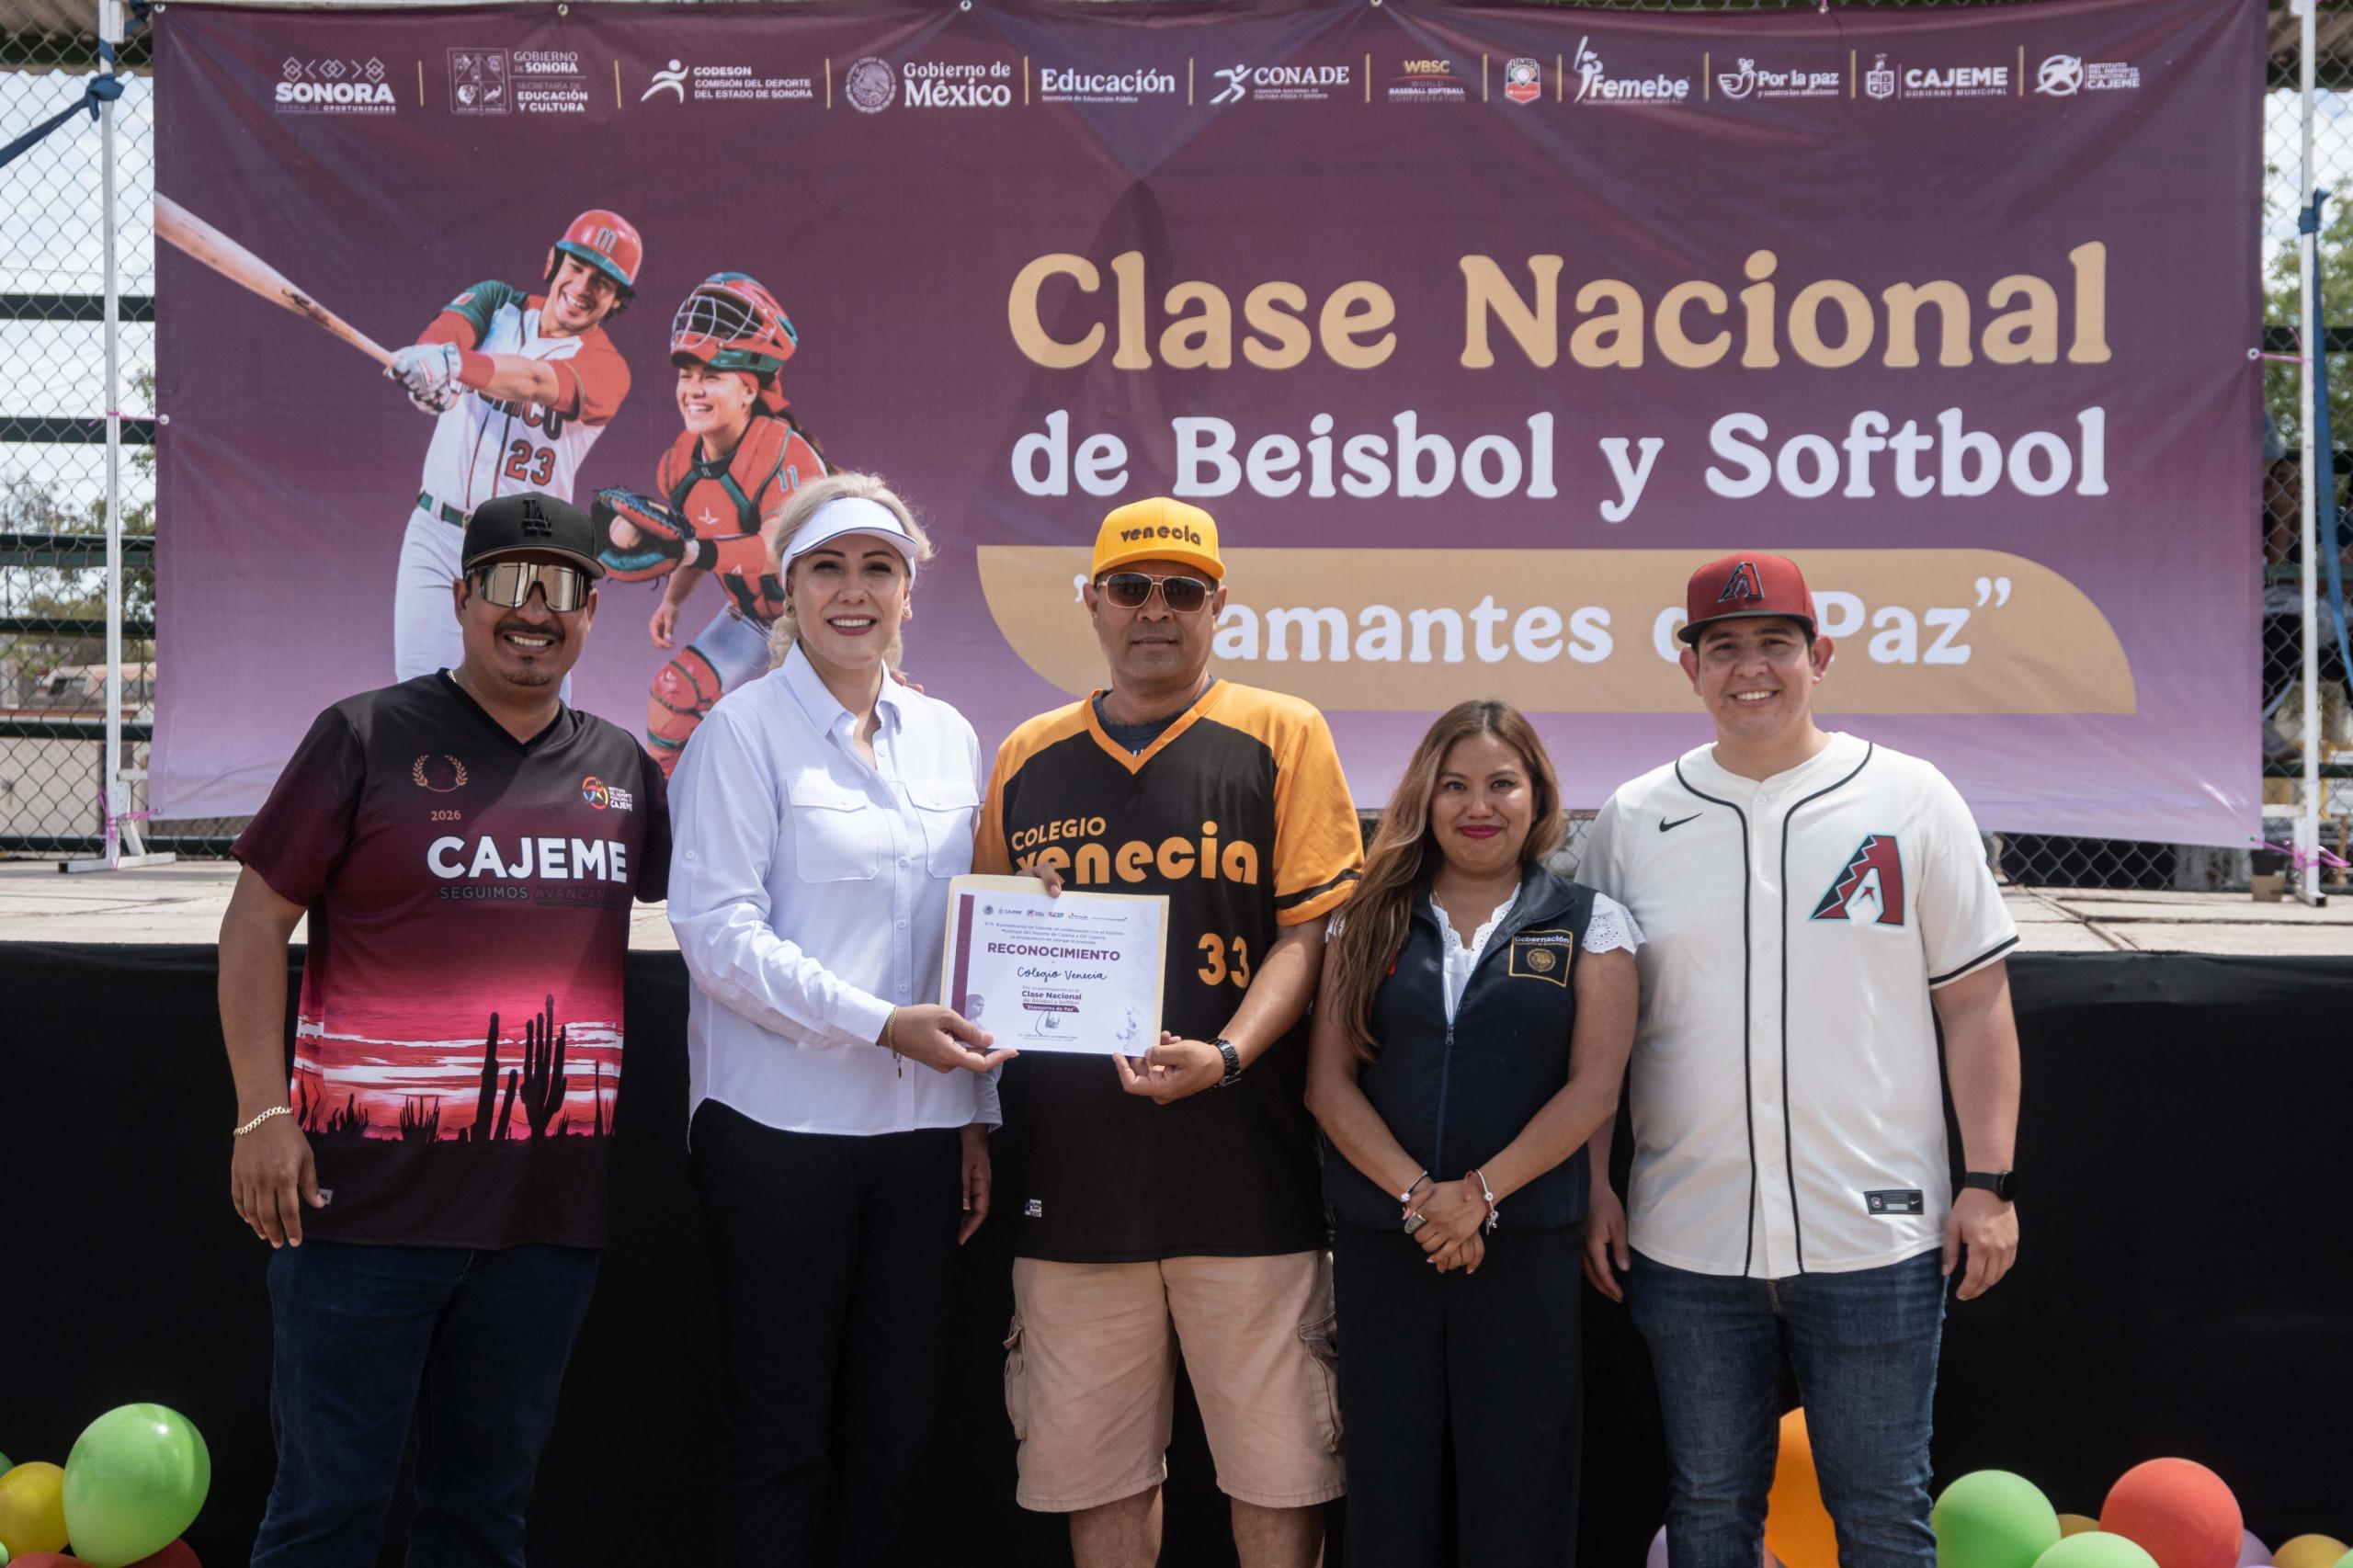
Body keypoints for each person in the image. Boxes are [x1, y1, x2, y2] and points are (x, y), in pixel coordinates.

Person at [218, 492, 669, 1567]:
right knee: (325, 1515)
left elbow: (732, 902)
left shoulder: (623, 767)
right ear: (462, 598)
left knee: (481, 1517)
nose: (532, 610)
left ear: (591, 610)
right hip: (361, 1212)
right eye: (507, 583)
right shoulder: (364, 734)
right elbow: (253, 925)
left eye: (558, 588)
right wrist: (261, 1112)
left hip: (544, 1223)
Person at [1579, 552, 2024, 1568]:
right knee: (1708, 1511)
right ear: (1689, 667)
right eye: (1724, 647)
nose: (1751, 669)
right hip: (1688, 1234)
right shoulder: (1634, 818)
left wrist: (1990, 1181)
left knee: (1881, 1514)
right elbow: (1600, 1033)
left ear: (1819, 656)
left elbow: (1976, 1003)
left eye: (1775, 644)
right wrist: (1593, 1183)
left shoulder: (1910, 796)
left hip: (1877, 1234)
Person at [972, 496, 1365, 1568]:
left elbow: (1307, 935)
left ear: (1218, 604)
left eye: (1182, 590)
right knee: (1097, 1472)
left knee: (1279, 1472)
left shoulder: (1282, 730)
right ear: (1091, 601)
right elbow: (987, 953)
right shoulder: (1027, 752)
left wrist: (1227, 1054)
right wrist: (1030, 922)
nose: (1155, 609)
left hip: (1248, 1173)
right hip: (1074, 1177)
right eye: (1130, 587)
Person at [665, 472, 1012, 1566]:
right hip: (780, 1133)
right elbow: (718, 935)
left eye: (877, 568)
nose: (853, 591)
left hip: (920, 1140)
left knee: (896, 1429)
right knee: (779, 1432)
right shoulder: (739, 733)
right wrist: (879, 1023)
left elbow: (965, 939)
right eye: (828, 568)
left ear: (909, 591)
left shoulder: (952, 736)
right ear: (786, 589)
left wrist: (973, 1110)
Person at [1305, 699, 1639, 1568]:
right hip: (1389, 1245)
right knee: (1389, 1493)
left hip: (1524, 1248)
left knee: (1521, 1494)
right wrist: (1423, 1200)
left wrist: (1480, 1196)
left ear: (1539, 797)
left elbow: (1594, 1089)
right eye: (1454, 786)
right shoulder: (1364, 917)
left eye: (1502, 784)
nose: (1478, 806)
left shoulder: (1589, 921)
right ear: (1425, 796)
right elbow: (1329, 1086)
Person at [591, 271, 832, 775]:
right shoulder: (678, 461)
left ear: (748, 391)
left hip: (819, 624)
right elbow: (688, 536)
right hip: (752, 618)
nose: (694, 390)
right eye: (687, 375)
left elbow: (775, 551)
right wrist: (673, 600)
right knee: (673, 698)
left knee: (822, 739)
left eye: (712, 376)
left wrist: (692, 551)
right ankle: (678, 814)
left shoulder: (785, 451)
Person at [384, 210, 638, 683]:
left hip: (528, 555)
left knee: (530, 707)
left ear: (617, 299)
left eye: (602, 282)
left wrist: (454, 365)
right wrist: (430, 368)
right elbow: (446, 335)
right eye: (577, 267)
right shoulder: (496, 302)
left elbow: (536, 380)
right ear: (553, 261)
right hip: (437, 535)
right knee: (420, 701)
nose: (582, 287)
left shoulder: (608, 368)